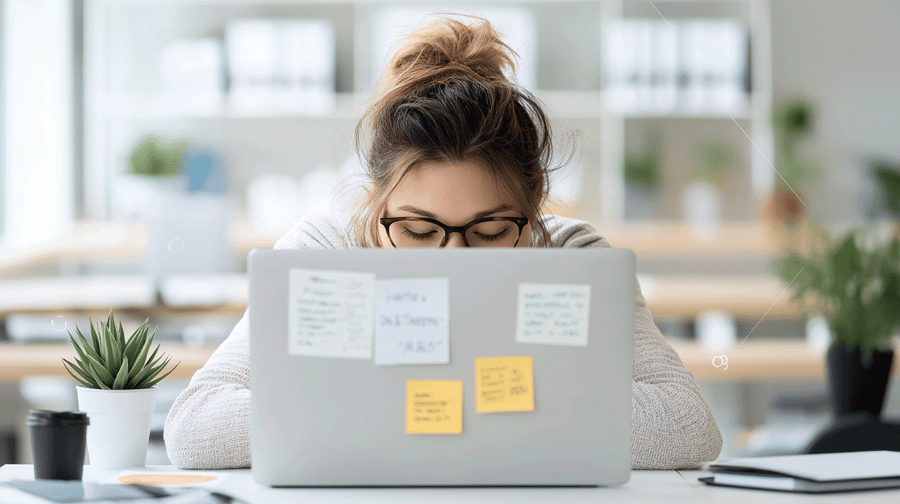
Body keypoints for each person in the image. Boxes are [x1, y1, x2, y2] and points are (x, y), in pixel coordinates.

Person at [164, 17, 722, 470]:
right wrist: (507, 404)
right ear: (375, 207)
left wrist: (384, 405)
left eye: (488, 232)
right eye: (418, 231)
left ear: (533, 215)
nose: (453, 263)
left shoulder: (571, 256)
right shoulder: (325, 251)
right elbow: (196, 427)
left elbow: (687, 426)